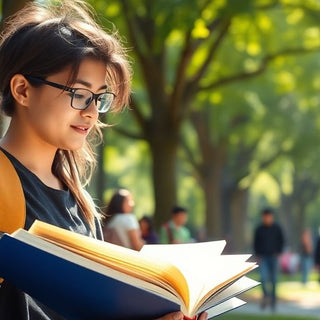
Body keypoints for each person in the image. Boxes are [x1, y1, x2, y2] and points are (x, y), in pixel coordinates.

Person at [0, 1, 207, 320]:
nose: (92, 112)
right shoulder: (3, 189)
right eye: (79, 94)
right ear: (23, 90)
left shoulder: (80, 202)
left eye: (99, 98)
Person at [253, 208, 284, 311]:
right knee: (263, 277)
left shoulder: (277, 228)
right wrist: (257, 255)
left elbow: (282, 241)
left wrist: (278, 252)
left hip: (273, 257)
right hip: (263, 257)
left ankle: (273, 301)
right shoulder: (259, 229)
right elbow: (255, 243)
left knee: (274, 280)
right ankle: (266, 295)